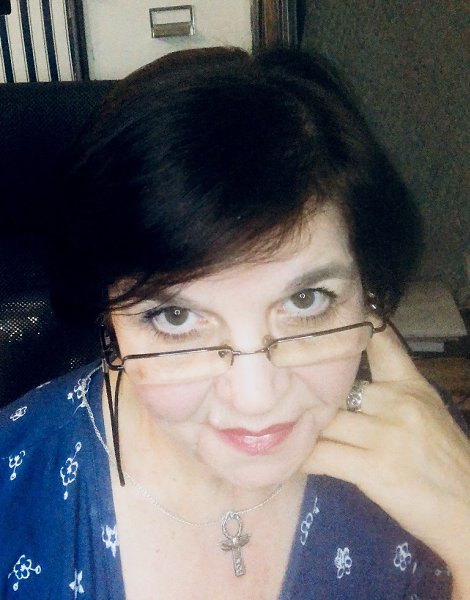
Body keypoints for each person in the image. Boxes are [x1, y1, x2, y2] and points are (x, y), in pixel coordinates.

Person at [1, 47, 469, 599]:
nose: (256, 399)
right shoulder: (15, 483)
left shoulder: (433, 456)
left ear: (368, 294)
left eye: (306, 300)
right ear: (108, 317)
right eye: (176, 317)